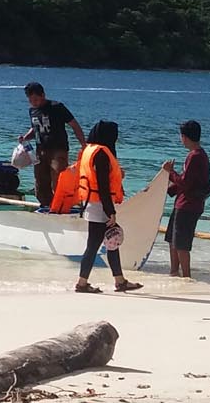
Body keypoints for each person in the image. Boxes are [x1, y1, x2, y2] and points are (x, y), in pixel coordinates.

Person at [74, 120, 142, 294]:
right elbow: (103, 185)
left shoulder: (91, 150)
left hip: (91, 203)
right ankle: (82, 283)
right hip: (100, 205)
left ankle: (120, 280)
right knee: (94, 245)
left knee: (112, 242)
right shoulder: (102, 154)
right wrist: (110, 211)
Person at [18, 82, 86, 210]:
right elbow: (35, 128)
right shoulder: (32, 111)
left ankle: (63, 205)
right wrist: (25, 137)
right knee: (40, 181)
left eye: (36, 99)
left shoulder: (57, 107)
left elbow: (74, 125)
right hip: (40, 150)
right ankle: (46, 206)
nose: (33, 103)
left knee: (58, 179)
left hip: (58, 150)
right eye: (30, 100)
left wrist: (83, 144)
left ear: (43, 95)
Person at [162, 120, 210, 278]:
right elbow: (189, 181)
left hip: (188, 206)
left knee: (181, 244)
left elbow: (185, 182)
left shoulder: (195, 156)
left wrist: (170, 172)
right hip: (184, 203)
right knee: (172, 239)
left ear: (184, 137)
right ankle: (174, 272)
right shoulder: (197, 155)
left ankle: (186, 276)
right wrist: (166, 190)